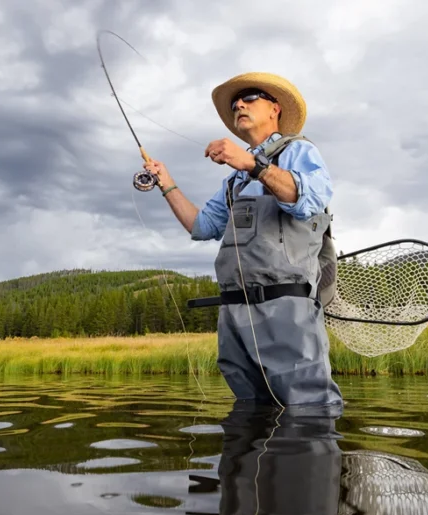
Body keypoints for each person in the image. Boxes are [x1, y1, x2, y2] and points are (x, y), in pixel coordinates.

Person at [143, 72, 343, 408]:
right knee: (250, 410)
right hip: (234, 313)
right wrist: (166, 183)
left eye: (249, 97)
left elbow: (309, 199)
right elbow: (202, 226)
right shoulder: (234, 181)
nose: (238, 104)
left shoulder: (299, 151)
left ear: (274, 109)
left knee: (308, 408)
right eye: (236, 102)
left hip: (287, 308)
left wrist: (253, 163)